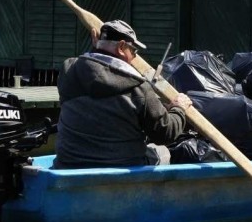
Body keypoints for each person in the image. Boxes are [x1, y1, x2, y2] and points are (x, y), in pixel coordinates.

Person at [52, 19, 190, 169]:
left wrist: (97, 46)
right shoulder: (139, 88)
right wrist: (178, 109)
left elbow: (94, 71)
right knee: (163, 152)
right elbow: (165, 133)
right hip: (122, 169)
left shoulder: (68, 72)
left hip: (69, 167)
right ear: (122, 47)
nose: (135, 57)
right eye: (133, 50)